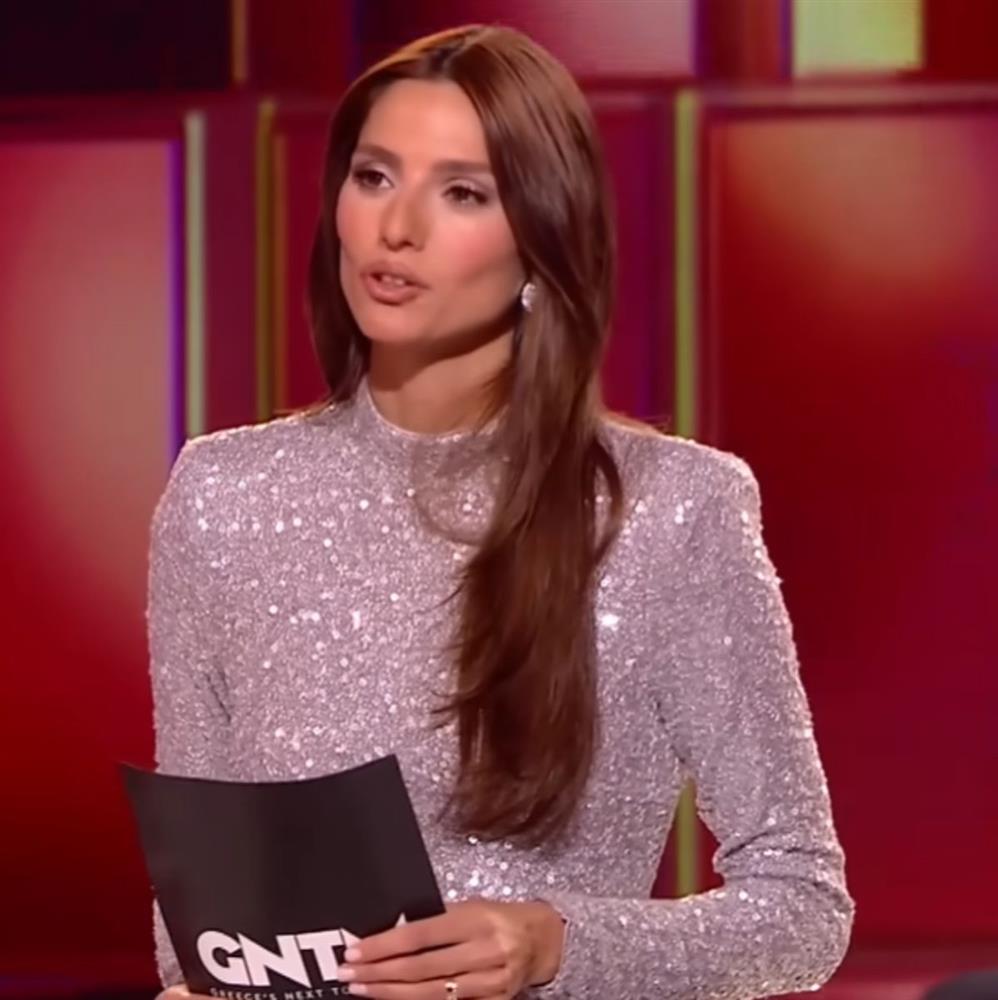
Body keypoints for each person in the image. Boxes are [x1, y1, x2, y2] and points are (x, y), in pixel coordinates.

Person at [148, 22, 855, 1000]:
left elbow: (803, 907)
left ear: (540, 236)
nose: (398, 228)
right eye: (374, 176)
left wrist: (557, 944)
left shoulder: (670, 511)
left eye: (463, 194)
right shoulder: (222, 497)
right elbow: (200, 916)